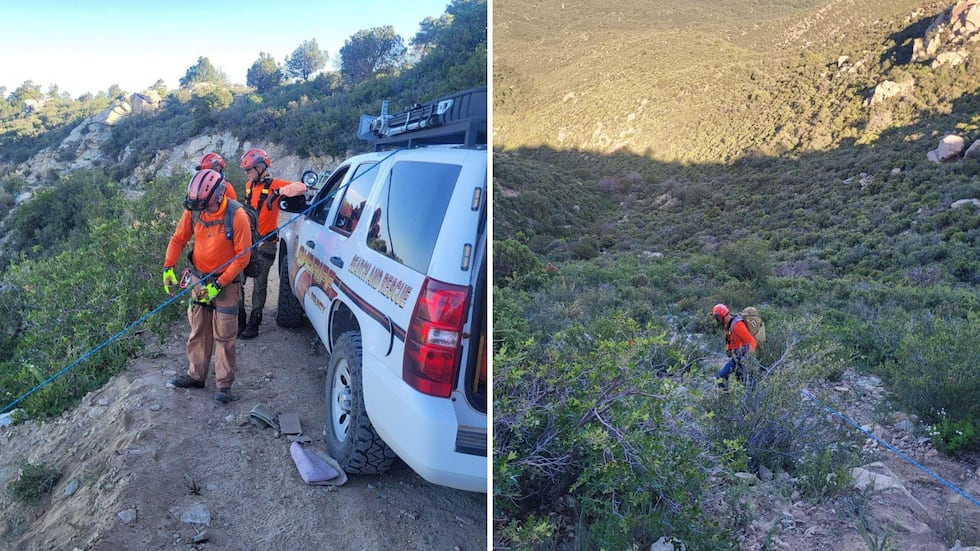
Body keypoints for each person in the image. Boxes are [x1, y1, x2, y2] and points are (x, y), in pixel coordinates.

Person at [162, 169, 252, 403]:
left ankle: (224, 387)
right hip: (199, 280)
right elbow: (179, 238)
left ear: (219, 196)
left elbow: (243, 257)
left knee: (224, 334)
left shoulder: (237, 215)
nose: (200, 209)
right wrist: (168, 267)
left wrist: (219, 284)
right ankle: (196, 375)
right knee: (199, 329)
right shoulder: (194, 211)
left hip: (227, 282)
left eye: (205, 204)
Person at [237, 148, 307, 339]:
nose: (247, 174)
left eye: (249, 169)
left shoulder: (274, 184)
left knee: (259, 283)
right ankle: (240, 318)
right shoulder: (249, 186)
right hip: (248, 242)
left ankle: (255, 321)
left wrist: (279, 192)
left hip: (267, 242)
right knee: (238, 279)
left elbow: (301, 187)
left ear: (260, 167)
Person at [195, 152, 247, 333]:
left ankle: (239, 323)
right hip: (205, 271)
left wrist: (219, 283)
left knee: (234, 296)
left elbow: (228, 220)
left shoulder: (226, 192)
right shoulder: (199, 193)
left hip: (227, 265)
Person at [711, 303, 757, 389]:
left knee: (720, 378)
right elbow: (729, 339)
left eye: (716, 317)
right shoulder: (728, 325)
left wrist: (748, 358)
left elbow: (752, 342)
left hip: (741, 358)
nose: (716, 320)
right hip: (736, 358)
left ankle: (726, 399)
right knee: (743, 384)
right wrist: (728, 350)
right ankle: (743, 400)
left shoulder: (737, 325)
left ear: (721, 316)